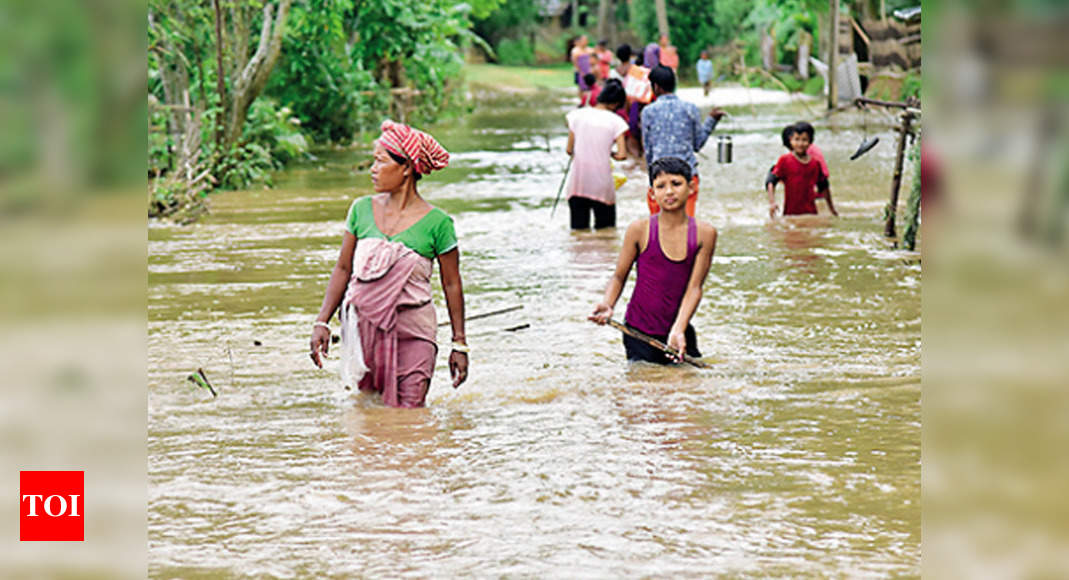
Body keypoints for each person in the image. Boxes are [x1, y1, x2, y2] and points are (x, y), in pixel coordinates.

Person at [309, 120, 468, 408]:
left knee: (410, 416)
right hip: (364, 334)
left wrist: (459, 344)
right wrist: (322, 321)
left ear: (406, 167)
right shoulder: (361, 210)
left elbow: (452, 284)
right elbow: (343, 270)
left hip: (416, 334)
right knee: (370, 415)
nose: (372, 169)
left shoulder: (439, 224)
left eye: (380, 162)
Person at [589, 157, 718, 364]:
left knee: (691, 390)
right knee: (645, 388)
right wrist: (608, 304)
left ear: (692, 187)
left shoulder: (705, 234)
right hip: (638, 332)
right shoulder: (639, 230)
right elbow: (619, 276)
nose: (669, 192)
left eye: (676, 184)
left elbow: (694, 288)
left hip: (679, 332)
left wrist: (679, 329)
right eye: (660, 186)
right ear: (652, 194)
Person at [640, 65, 725, 216]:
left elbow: (648, 150)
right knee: (686, 228)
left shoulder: (648, 112)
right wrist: (711, 120)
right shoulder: (690, 108)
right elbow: (698, 145)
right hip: (685, 177)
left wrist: (652, 182)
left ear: (656, 87)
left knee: (658, 230)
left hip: (660, 177)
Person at [565, 79, 629, 230]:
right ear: (615, 104)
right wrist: (610, 153)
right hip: (602, 185)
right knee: (606, 234)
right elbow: (622, 155)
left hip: (577, 184)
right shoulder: (617, 122)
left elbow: (569, 150)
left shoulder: (577, 116)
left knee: (579, 233)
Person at [766, 121, 838, 217]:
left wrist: (832, 209)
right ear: (791, 140)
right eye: (797, 139)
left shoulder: (815, 163)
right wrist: (772, 203)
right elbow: (771, 181)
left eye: (804, 140)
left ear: (810, 142)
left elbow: (824, 186)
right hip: (790, 214)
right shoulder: (784, 160)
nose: (800, 143)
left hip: (811, 214)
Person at [571, 35, 595, 101]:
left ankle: (589, 99)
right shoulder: (575, 51)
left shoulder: (590, 50)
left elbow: (594, 60)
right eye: (583, 40)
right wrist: (581, 72)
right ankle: (581, 100)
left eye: (586, 40)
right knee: (581, 87)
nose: (585, 42)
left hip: (589, 71)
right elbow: (575, 63)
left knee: (590, 87)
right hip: (580, 71)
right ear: (580, 41)